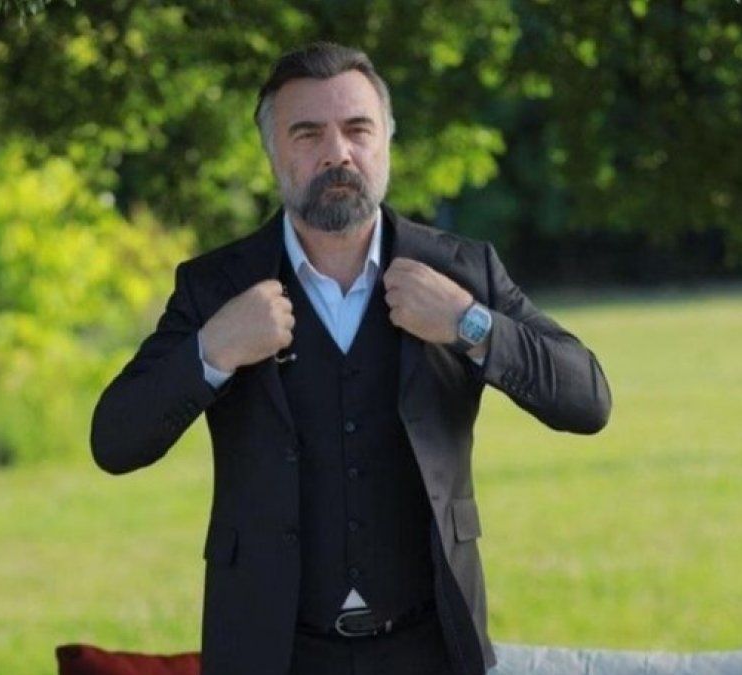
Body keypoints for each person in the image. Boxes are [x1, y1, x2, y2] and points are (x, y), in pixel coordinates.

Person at [90, 41, 611, 675]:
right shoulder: (215, 287)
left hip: (430, 648)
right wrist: (213, 349)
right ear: (272, 151)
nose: (337, 152)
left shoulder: (462, 271)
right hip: (272, 653)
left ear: (386, 138)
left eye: (357, 129)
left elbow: (588, 401)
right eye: (307, 133)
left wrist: (468, 323)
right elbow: (115, 440)